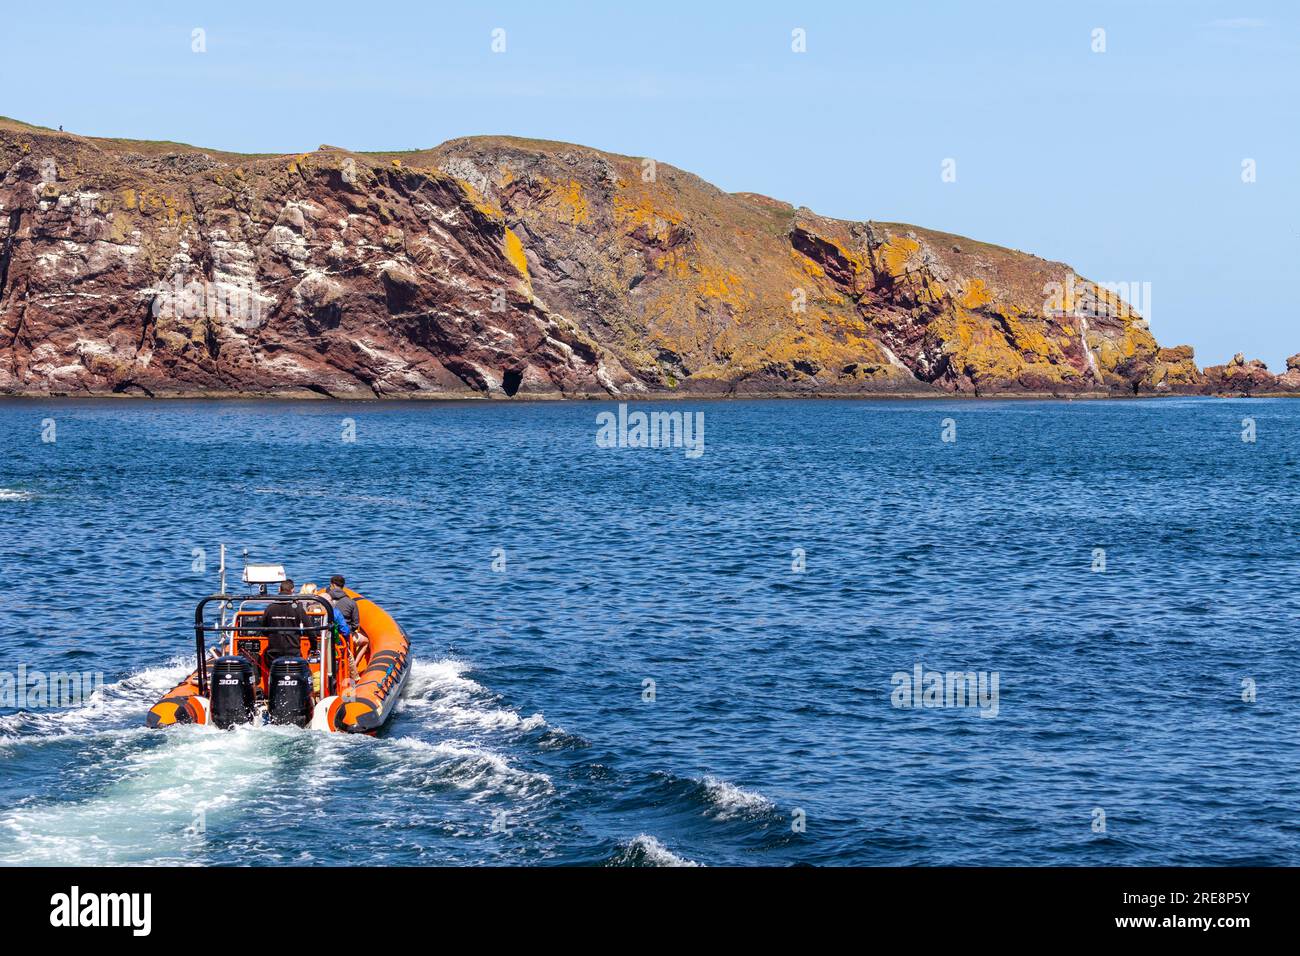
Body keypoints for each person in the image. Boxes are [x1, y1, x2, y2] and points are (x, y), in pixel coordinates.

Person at [260, 580, 310, 664]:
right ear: (292, 590)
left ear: (279, 589)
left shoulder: (270, 608)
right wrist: (314, 647)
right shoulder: (298, 609)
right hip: (294, 653)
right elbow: (310, 629)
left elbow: (263, 628)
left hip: (273, 655)